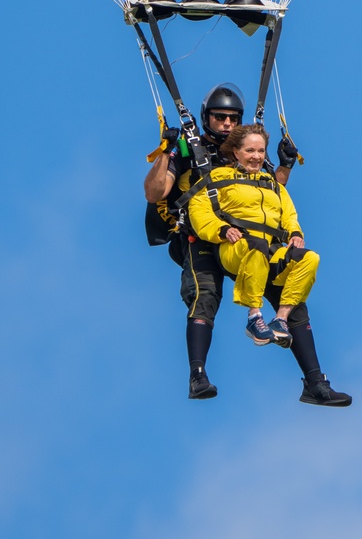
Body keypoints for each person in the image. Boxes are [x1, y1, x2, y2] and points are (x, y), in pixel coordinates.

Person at [143, 85, 349, 406]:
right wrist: (168, 151)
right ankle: (198, 376)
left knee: (292, 300)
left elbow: (267, 198)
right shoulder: (186, 149)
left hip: (250, 240)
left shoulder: (247, 152)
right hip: (203, 237)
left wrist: (284, 166)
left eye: (232, 118)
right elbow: (155, 193)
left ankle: (315, 383)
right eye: (219, 117)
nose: (226, 123)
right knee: (205, 297)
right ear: (206, 117)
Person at [188, 123, 351, 407]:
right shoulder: (217, 177)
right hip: (234, 249)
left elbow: (288, 213)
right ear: (235, 152)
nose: (255, 156)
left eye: (260, 151)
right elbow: (198, 212)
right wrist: (221, 230)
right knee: (256, 248)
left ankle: (281, 320)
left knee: (309, 258)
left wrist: (296, 234)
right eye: (249, 150)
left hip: (270, 250)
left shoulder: (271, 182)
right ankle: (254, 318)